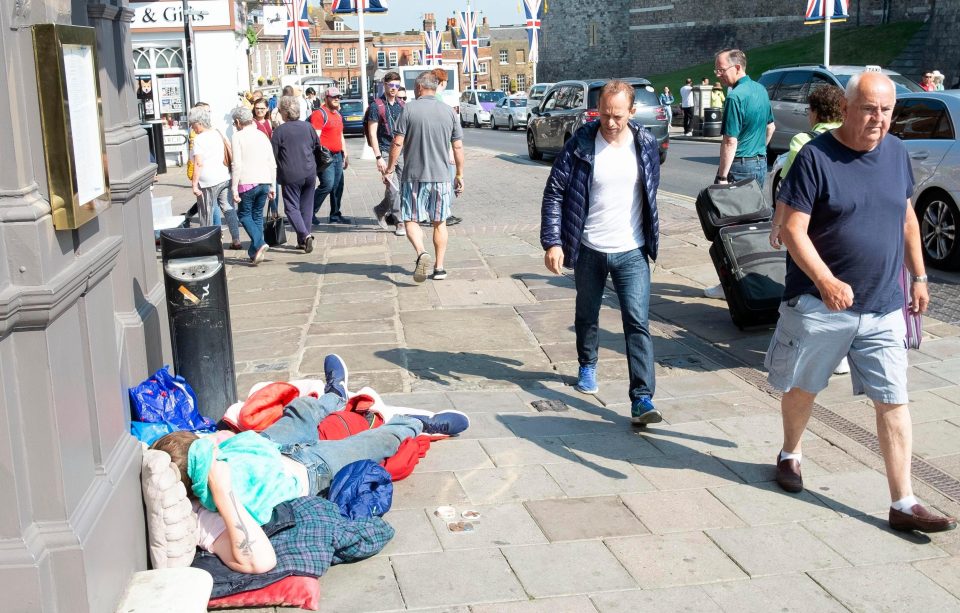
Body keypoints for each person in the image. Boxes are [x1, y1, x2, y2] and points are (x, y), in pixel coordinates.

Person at [768, 71, 956, 534]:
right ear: (847, 108)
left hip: (884, 306)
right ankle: (790, 452)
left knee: (893, 400)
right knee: (803, 389)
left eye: (887, 110)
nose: (878, 119)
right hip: (820, 303)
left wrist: (919, 275)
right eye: (869, 109)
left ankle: (904, 501)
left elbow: (907, 217)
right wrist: (826, 280)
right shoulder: (815, 157)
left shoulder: (895, 153)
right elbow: (793, 229)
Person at [151, 354, 471, 573]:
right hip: (307, 471)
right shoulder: (206, 516)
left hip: (268, 448)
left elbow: (217, 440)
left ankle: (334, 395)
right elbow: (259, 561)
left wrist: (213, 444)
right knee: (372, 445)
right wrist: (223, 493)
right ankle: (414, 425)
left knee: (302, 410)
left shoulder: (196, 453)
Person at [540, 80, 662, 426]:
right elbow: (555, 193)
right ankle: (587, 364)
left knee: (637, 322)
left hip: (632, 250)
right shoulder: (580, 144)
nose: (610, 122)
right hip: (590, 247)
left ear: (632, 112)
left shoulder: (646, 143)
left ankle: (642, 398)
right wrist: (553, 241)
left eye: (618, 116)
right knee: (587, 314)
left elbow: (651, 191)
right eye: (605, 114)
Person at [704, 48, 775, 299]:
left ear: (737, 67)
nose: (718, 74)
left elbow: (729, 141)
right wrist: (759, 152)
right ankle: (756, 282)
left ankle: (729, 285)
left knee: (732, 230)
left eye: (721, 69)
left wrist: (722, 176)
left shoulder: (735, 97)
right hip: (758, 163)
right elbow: (771, 127)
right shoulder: (761, 90)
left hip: (739, 166)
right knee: (754, 228)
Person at [383, 71, 464, 283]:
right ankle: (439, 268)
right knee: (440, 223)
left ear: (418, 88)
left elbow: (398, 143)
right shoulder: (449, 112)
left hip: (413, 176)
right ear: (435, 87)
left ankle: (421, 252)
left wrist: (390, 169)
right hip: (441, 177)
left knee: (410, 219)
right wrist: (459, 175)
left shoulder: (408, 109)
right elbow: (458, 147)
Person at [271, 95, 323, 253]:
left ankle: (305, 235)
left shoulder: (279, 131)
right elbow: (317, 146)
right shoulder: (308, 127)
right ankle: (303, 240)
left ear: (284, 113)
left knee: (291, 208)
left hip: (291, 174)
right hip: (309, 172)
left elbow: (272, 155)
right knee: (307, 206)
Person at [189, 105, 242, 250]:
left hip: (207, 182)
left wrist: (194, 184)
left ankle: (205, 243)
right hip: (224, 176)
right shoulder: (217, 133)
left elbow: (198, 163)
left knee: (206, 211)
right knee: (228, 208)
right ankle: (236, 239)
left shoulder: (199, 139)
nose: (192, 128)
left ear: (199, 123)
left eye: (193, 124)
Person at [230, 106, 276, 265]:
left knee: (243, 215)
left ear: (237, 121)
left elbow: (236, 164)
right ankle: (255, 251)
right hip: (264, 180)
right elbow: (272, 162)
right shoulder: (262, 135)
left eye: (234, 123)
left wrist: (234, 188)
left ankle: (259, 242)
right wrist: (272, 186)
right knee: (257, 216)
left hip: (247, 182)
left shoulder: (238, 136)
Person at [367, 72, 406, 236]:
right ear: (385, 85)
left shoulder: (402, 105)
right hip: (384, 150)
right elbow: (372, 133)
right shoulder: (376, 106)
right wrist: (378, 157)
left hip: (402, 151)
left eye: (397, 86)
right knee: (393, 187)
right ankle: (400, 221)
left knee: (402, 188)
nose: (394, 89)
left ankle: (380, 209)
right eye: (391, 86)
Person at [311, 86, 350, 225]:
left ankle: (335, 215)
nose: (337, 99)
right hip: (325, 157)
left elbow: (340, 135)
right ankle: (309, 212)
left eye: (338, 97)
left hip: (338, 155)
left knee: (338, 185)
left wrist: (345, 153)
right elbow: (315, 138)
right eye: (334, 97)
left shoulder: (338, 115)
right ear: (326, 98)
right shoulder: (319, 114)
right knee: (327, 184)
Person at [432, 66, 463, 227]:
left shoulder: (429, 100)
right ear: (442, 82)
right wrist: (450, 152)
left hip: (431, 150)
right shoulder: (439, 100)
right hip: (443, 150)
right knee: (447, 182)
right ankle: (444, 213)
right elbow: (447, 132)